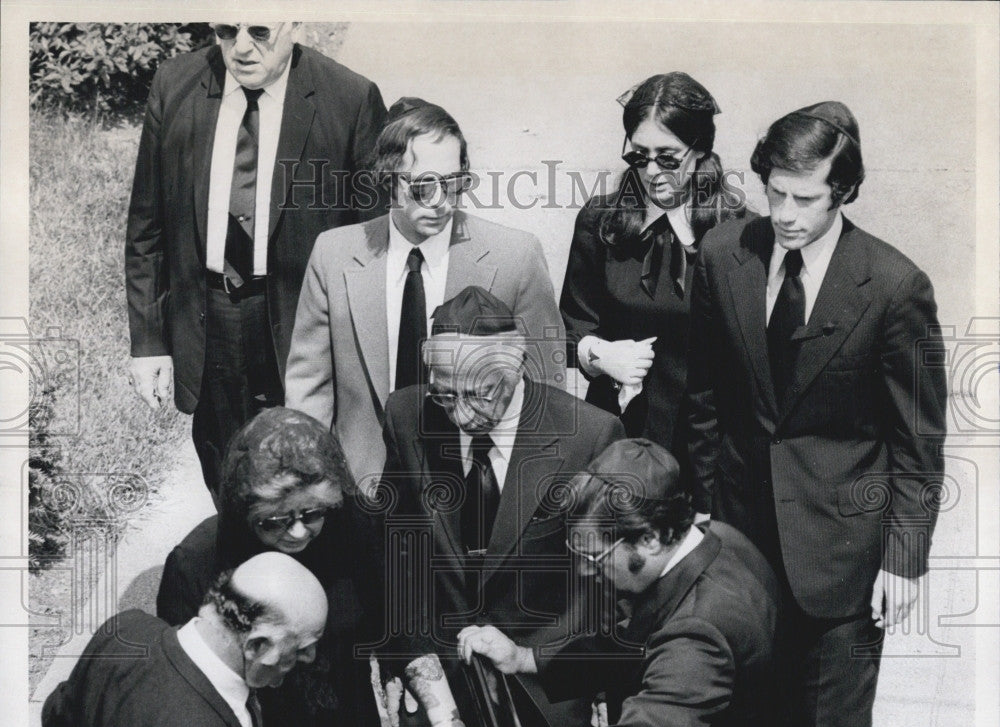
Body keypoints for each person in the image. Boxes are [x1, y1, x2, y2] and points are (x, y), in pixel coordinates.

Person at [685, 101, 948, 727]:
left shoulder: (894, 286)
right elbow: (704, 400)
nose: (784, 214)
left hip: (844, 562)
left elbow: (918, 442)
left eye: (805, 198)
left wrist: (904, 560)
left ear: (845, 192)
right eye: (775, 192)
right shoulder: (723, 256)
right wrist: (698, 514)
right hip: (739, 549)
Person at [125, 22, 387, 495]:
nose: (241, 47)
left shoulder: (349, 98)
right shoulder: (175, 83)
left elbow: (374, 244)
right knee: (226, 467)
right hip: (211, 318)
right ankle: (238, 562)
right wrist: (148, 342)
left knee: (306, 472)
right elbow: (147, 223)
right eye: (227, 30)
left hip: (305, 322)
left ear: (297, 23)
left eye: (261, 31)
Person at [377, 286, 625, 727]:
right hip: (441, 690)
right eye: (446, 395)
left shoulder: (589, 434)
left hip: (547, 694)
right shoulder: (408, 416)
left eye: (480, 393)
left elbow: (602, 591)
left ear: (517, 364)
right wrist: (417, 681)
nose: (462, 414)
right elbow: (395, 565)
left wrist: (583, 678)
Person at [285, 98, 566, 494]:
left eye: (454, 184)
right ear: (387, 179)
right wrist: (313, 479)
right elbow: (308, 389)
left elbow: (544, 389)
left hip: (474, 488)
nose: (440, 201)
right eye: (422, 186)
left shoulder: (515, 257)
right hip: (362, 487)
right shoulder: (333, 255)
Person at [458, 438, 780, 727]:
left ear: (650, 539)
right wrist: (521, 657)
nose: (585, 570)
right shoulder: (718, 539)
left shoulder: (698, 636)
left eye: (595, 557)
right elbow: (632, 643)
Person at [156, 406, 385, 727]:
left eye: (313, 514)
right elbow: (185, 684)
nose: (298, 532)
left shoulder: (354, 532)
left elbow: (398, 620)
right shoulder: (195, 563)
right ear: (242, 510)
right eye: (275, 520)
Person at [559, 72, 742, 500]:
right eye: (639, 158)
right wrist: (601, 354)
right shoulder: (600, 221)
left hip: (707, 448)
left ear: (701, 152)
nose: (653, 172)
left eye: (669, 157)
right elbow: (571, 325)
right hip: (617, 436)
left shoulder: (737, 232)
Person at [42, 553, 327, 727]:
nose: (310, 657)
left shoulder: (125, 630)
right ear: (256, 645)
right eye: (304, 647)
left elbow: (56, 726)